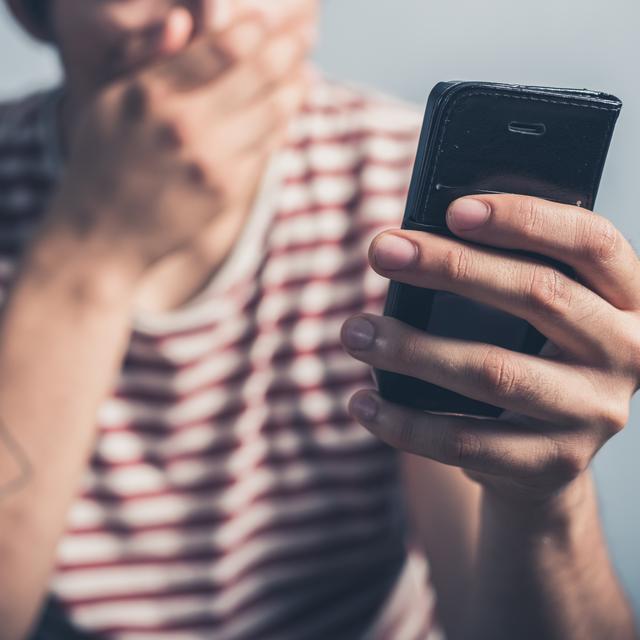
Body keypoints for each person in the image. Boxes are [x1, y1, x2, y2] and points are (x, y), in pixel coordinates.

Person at [0, 0, 638, 638]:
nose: (212, 17)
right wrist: (87, 255)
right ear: (33, 13)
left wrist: (540, 496)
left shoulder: (405, 198)